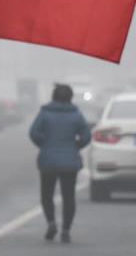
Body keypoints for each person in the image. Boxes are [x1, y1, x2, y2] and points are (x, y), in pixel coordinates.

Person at [28, 83, 92, 244]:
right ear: (70, 97)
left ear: (53, 96)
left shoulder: (45, 113)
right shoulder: (76, 115)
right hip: (70, 161)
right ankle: (66, 231)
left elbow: (33, 132)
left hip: (48, 160)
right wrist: (75, 147)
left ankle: (51, 222)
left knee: (46, 195)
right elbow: (86, 136)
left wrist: (44, 144)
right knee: (68, 197)